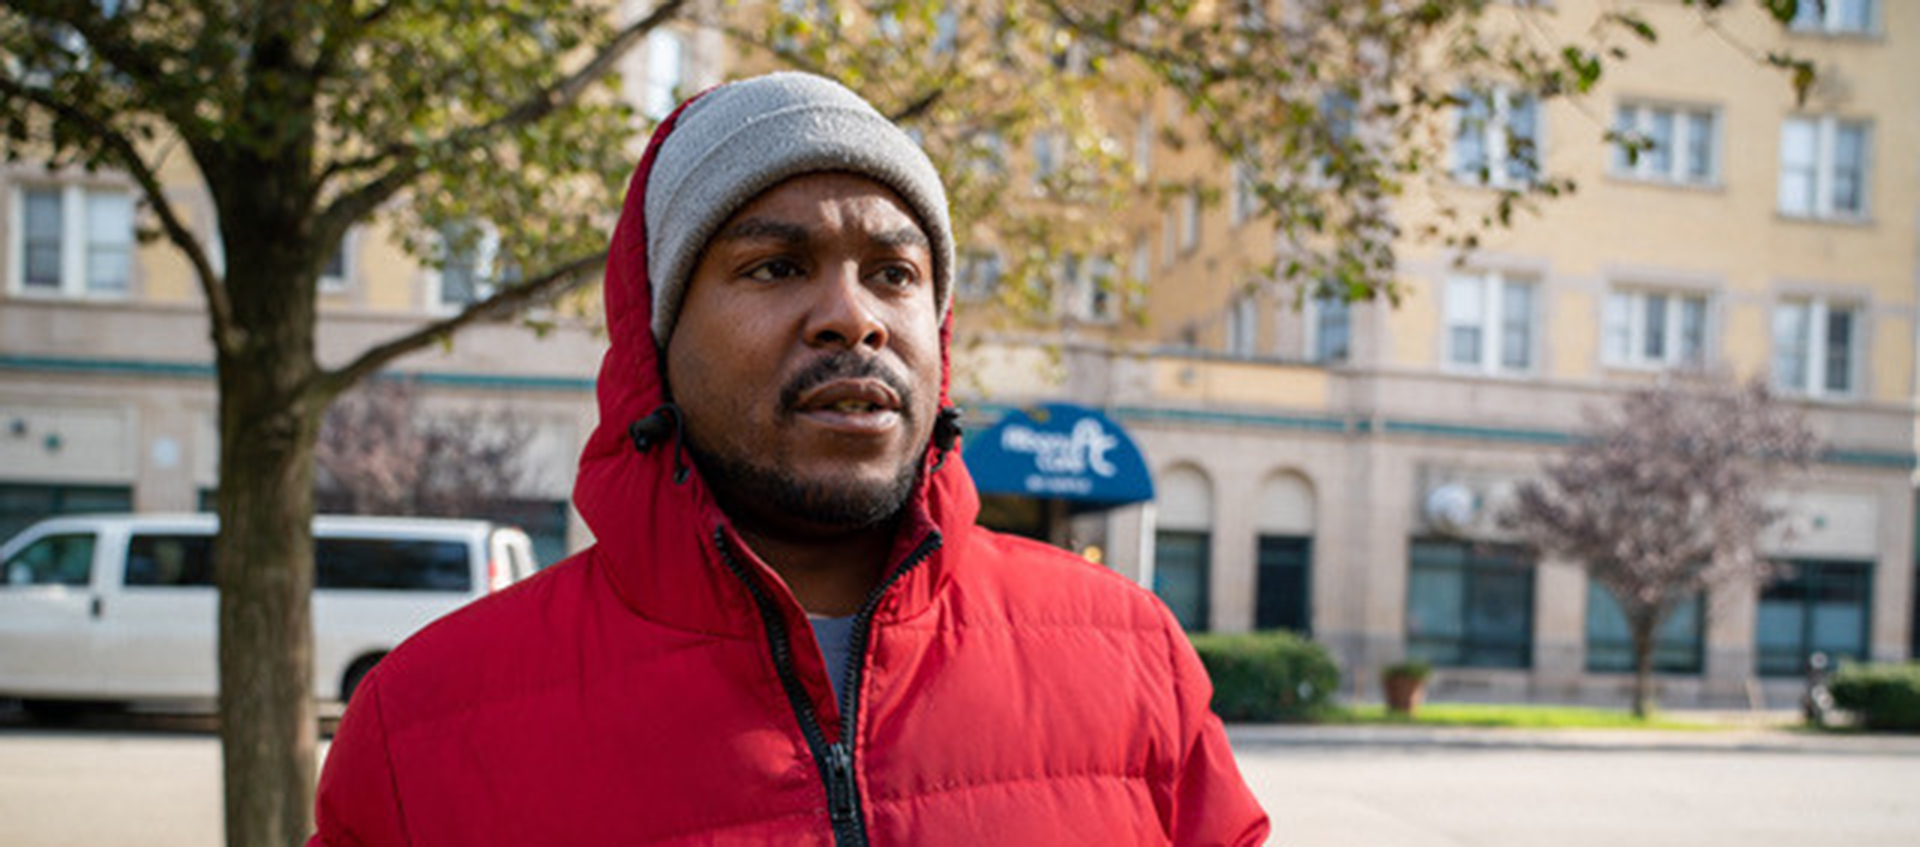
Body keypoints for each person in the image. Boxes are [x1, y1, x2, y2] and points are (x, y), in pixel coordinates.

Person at [310, 71, 1269, 846]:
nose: (854, 316)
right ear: (656, 340)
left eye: (894, 273)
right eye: (775, 265)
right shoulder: (421, 728)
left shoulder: (1136, 658)